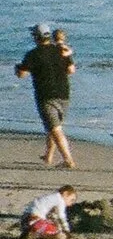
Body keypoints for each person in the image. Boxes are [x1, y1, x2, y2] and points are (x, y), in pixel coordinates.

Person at [16, 25, 76, 168]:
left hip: (46, 95)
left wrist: (17, 68)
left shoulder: (33, 54)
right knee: (54, 127)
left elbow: (22, 74)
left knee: (55, 129)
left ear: (36, 37)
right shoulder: (61, 50)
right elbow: (71, 70)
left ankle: (68, 160)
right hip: (64, 93)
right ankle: (48, 156)